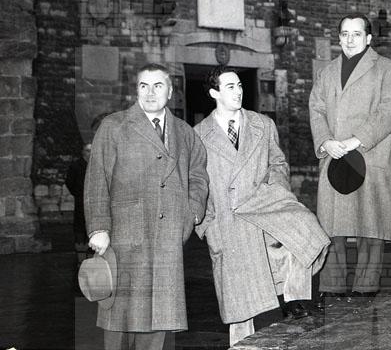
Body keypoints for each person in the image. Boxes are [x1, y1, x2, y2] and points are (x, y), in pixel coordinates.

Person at [195, 66, 330, 346]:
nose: (238, 91)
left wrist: (274, 194)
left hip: (264, 213)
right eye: (230, 86)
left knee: (305, 228)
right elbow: (196, 184)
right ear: (214, 93)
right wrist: (207, 227)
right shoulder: (197, 136)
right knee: (242, 308)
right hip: (228, 225)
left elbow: (278, 164)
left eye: (240, 85)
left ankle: (295, 299)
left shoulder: (262, 124)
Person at [84, 63, 209, 350]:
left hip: (168, 239)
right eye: (144, 86)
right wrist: (99, 228)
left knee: (158, 320)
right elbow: (97, 178)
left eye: (158, 86)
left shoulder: (184, 132)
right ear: (136, 90)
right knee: (119, 320)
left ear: (171, 92)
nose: (150, 93)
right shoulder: (114, 126)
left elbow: (198, 174)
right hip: (124, 236)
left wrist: (191, 213)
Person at [309, 14, 391, 303]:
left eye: (357, 34)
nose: (350, 39)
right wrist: (325, 141)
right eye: (345, 34)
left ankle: (365, 286)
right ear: (339, 38)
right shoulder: (327, 72)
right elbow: (316, 108)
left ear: (369, 38)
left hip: (370, 153)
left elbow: (390, 112)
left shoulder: (387, 69)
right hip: (335, 154)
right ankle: (332, 285)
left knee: (371, 223)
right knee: (332, 224)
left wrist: (355, 139)